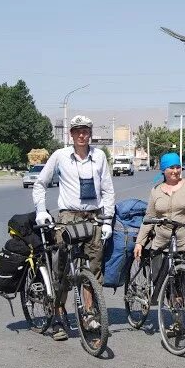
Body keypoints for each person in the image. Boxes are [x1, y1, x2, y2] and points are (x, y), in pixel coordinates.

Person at [33, 114, 115, 341]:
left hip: (94, 218)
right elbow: (40, 184)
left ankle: (89, 314)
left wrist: (107, 220)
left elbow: (108, 189)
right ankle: (59, 315)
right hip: (68, 218)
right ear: (71, 134)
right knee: (62, 269)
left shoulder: (99, 156)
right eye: (77, 130)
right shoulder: (60, 156)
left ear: (90, 133)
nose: (82, 134)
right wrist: (41, 209)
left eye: (86, 131)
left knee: (94, 269)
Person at [133, 152, 185, 343]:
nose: (176, 171)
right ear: (164, 170)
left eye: (178, 167)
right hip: (162, 242)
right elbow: (148, 218)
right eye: (171, 168)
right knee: (172, 286)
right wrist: (140, 242)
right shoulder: (156, 190)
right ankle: (178, 323)